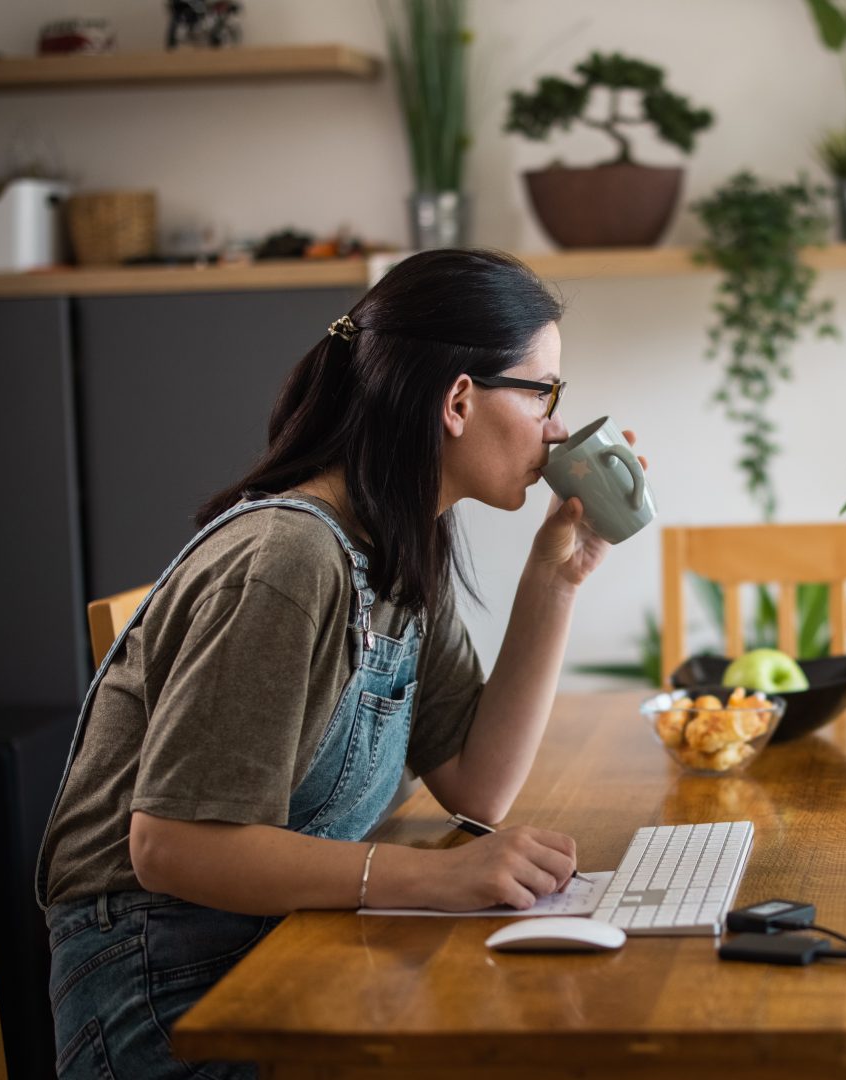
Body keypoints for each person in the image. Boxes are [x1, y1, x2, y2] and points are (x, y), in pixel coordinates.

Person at [35, 249, 641, 1080]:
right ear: (459, 401)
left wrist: (556, 576)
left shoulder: (400, 538)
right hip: (167, 983)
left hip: (275, 940)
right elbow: (170, 847)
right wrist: (437, 881)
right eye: (544, 391)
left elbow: (477, 782)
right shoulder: (291, 558)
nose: (558, 428)